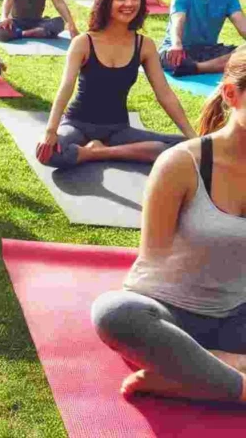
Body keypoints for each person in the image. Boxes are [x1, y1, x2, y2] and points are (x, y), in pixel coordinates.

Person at [90, 46, 246, 405]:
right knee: (115, 313)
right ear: (230, 95)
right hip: (166, 313)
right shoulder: (180, 164)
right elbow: (153, 256)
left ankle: (190, 375)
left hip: (235, 318)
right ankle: (234, 381)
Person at [35, 0, 194, 169]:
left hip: (118, 130)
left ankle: (98, 152)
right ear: (107, 1)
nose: (129, 3)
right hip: (77, 124)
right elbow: (66, 87)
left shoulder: (144, 45)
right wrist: (51, 130)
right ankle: (103, 151)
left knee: (184, 146)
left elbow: (165, 94)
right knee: (48, 154)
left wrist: (192, 136)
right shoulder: (83, 42)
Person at [160, 0, 246, 77]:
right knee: (173, 59)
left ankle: (196, 68)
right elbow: (177, 22)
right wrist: (176, 45)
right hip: (179, 50)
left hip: (208, 51)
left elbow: (243, 27)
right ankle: (205, 66)